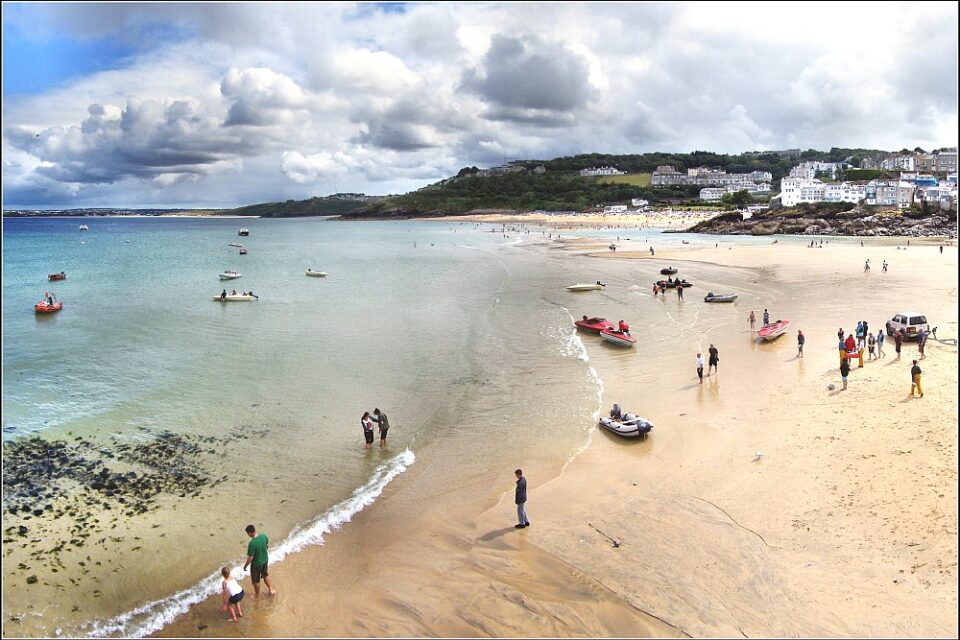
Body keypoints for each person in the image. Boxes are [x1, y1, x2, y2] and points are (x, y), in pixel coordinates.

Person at [243, 525, 276, 597]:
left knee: (256, 580)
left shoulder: (252, 543)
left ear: (250, 533)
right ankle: (271, 589)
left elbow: (250, 557)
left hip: (256, 564)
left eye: (248, 533)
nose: (248, 535)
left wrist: (245, 565)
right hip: (265, 560)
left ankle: (257, 594)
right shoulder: (263, 536)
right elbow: (267, 544)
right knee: (265, 575)